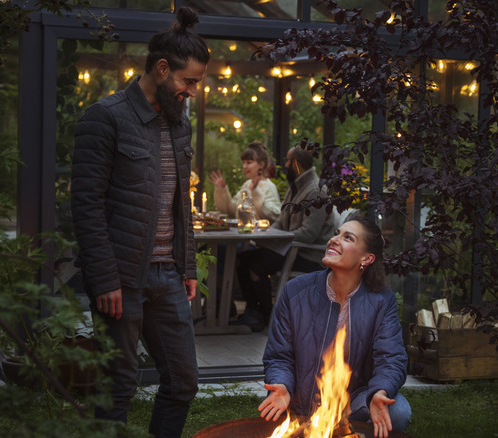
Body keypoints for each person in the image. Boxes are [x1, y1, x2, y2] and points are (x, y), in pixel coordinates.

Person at [70, 7, 209, 438]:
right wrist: (105, 278)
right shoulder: (106, 116)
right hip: (121, 278)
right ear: (162, 69)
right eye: (188, 81)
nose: (191, 91)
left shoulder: (179, 121)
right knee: (117, 387)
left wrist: (187, 267)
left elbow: (179, 203)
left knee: (183, 382)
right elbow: (86, 205)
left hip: (167, 274)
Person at [258, 216, 412, 438]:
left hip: (353, 404)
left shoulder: (381, 301)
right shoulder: (295, 291)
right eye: (337, 233)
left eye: (347, 237)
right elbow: (279, 356)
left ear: (367, 258)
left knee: (397, 411)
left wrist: (380, 392)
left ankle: (346, 431)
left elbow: (391, 358)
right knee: (273, 417)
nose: (334, 240)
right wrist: (281, 386)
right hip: (300, 403)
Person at [233, 145, 337, 331]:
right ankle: (253, 311)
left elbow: (309, 234)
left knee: (257, 267)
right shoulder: (295, 187)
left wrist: (278, 237)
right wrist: (267, 234)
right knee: (242, 260)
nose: (284, 164)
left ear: (296, 164)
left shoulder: (316, 191)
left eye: (288, 160)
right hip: (290, 248)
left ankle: (264, 316)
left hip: (309, 255)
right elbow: (281, 223)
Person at [208, 140, 281, 223]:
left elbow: (273, 216)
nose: (244, 166)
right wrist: (221, 190)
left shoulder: (269, 187)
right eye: (244, 163)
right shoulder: (247, 185)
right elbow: (232, 212)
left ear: (261, 164)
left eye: (249, 163)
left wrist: (255, 193)